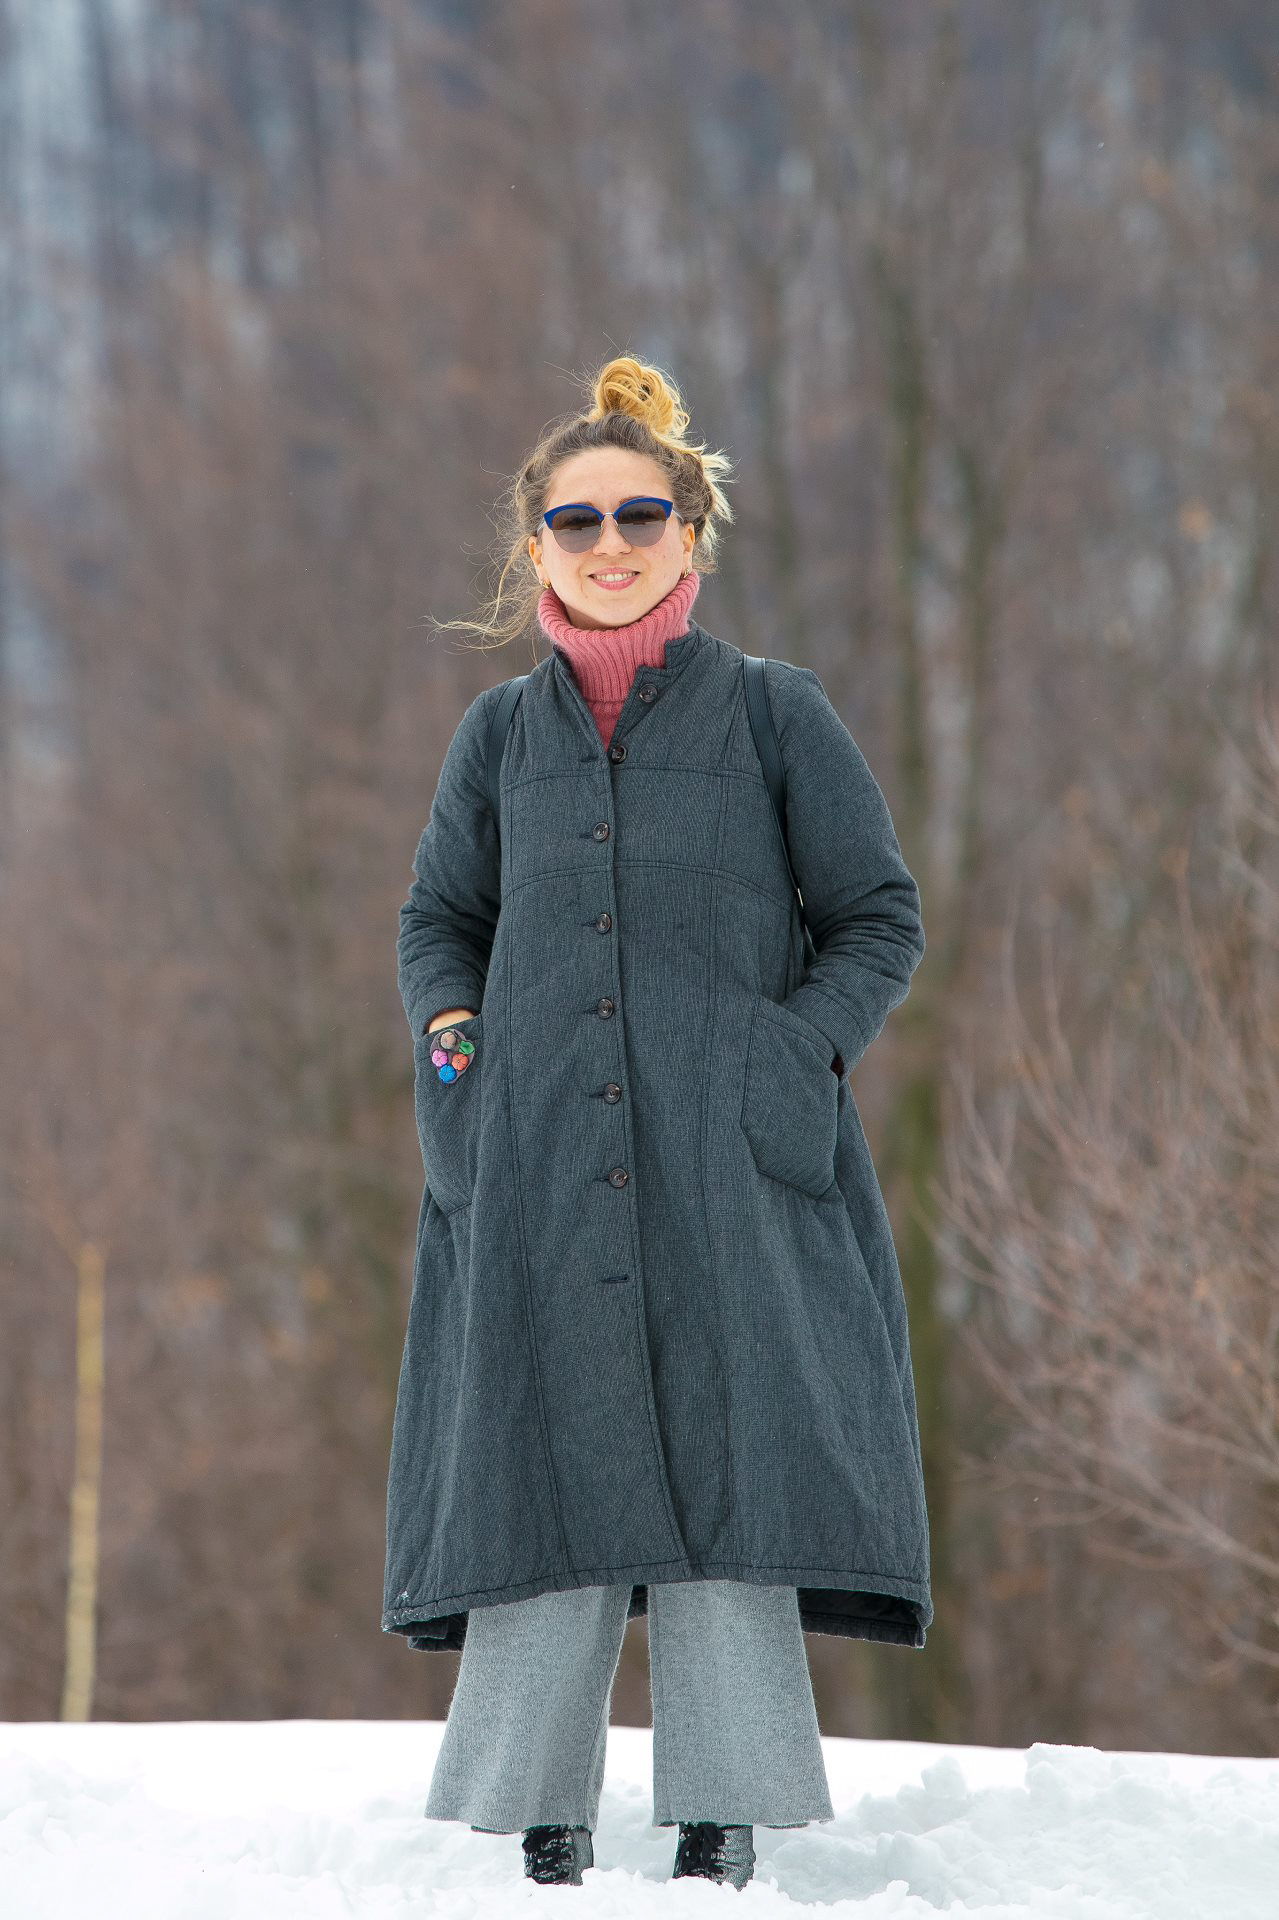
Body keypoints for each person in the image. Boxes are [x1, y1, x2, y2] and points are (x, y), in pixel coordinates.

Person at [384, 354, 931, 1889]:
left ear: (690, 531)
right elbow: (440, 920)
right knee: (537, 1452)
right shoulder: (499, 736)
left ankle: (725, 1808)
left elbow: (877, 916)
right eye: (577, 520)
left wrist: (792, 1055)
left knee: (731, 1452)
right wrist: (457, 1051)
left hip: (733, 1161)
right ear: (537, 544)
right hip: (537, 1155)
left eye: (640, 514)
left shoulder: (773, 715)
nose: (609, 542)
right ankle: (530, 1809)